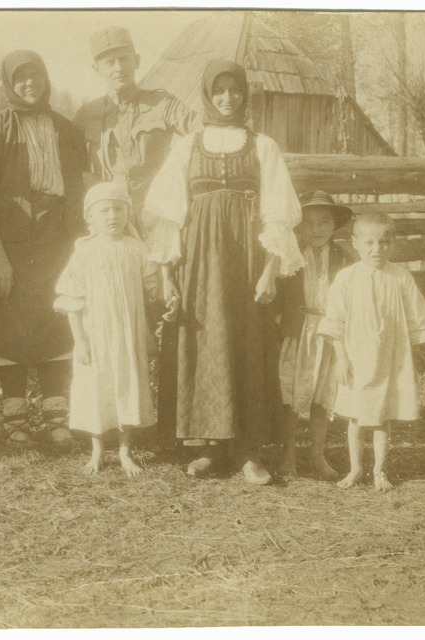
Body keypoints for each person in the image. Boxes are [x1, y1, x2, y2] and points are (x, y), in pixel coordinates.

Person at [144, 60, 305, 485]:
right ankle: (208, 448)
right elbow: (169, 216)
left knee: (249, 342)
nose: (228, 98)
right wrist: (167, 273)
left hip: (246, 258)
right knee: (204, 342)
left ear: (245, 94)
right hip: (198, 260)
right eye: (219, 91)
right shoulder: (188, 145)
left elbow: (277, 214)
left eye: (235, 90)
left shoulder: (263, 146)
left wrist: (270, 270)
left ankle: (250, 451)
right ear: (207, 95)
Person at [0, 50, 87, 446]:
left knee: (58, 320)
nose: (29, 83)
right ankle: (15, 421)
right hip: (13, 243)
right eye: (20, 78)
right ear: (9, 84)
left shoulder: (65, 128)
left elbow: (82, 187)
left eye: (36, 75)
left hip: (59, 241)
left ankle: (56, 419)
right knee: (10, 329)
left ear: (46, 79)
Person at [318, 212, 425, 491]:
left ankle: (380, 470)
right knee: (357, 416)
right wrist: (342, 358)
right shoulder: (346, 278)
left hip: (389, 359)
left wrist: (409, 358)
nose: (377, 249)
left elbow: (417, 317)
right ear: (355, 243)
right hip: (356, 359)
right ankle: (356, 468)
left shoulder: (401, 278)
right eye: (369, 243)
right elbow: (335, 320)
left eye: (384, 242)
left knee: (382, 416)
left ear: (393, 243)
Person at [54, 182, 163, 477]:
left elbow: (153, 288)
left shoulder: (137, 249)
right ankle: (98, 450)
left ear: (128, 213)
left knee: (127, 384)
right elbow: (71, 301)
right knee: (96, 385)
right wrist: (81, 341)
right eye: (104, 210)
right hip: (96, 336)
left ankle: (126, 451)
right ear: (90, 216)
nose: (112, 216)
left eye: (118, 209)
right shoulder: (85, 252)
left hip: (128, 335)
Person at [74, 26, 199, 234]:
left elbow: (204, 135)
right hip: (111, 221)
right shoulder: (86, 114)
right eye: (109, 62)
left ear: (137, 61)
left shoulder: (163, 104)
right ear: (97, 70)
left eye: (124, 59)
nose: (119, 68)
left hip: (156, 215)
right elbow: (69, 162)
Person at [276, 191, 354, 478]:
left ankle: (318, 457)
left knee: (321, 399)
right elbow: (278, 297)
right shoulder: (290, 256)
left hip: (329, 334)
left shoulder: (344, 258)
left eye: (324, 222)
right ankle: (288, 457)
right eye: (309, 223)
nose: (317, 229)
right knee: (292, 399)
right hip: (299, 333)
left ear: (334, 226)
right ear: (298, 226)